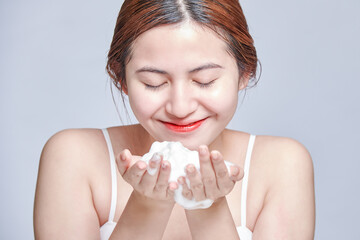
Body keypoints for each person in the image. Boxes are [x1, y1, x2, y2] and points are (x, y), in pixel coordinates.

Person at [33, 0, 315, 239]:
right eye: (153, 83)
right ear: (122, 79)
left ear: (245, 72)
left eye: (204, 81)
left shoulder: (283, 163)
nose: (180, 108)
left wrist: (209, 207)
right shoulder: (73, 156)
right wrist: (146, 205)